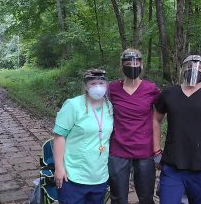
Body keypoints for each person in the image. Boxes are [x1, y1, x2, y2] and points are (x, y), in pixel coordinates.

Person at [153, 53, 201, 204]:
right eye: (189, 65)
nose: (194, 69)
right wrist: (156, 151)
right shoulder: (169, 94)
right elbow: (156, 120)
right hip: (172, 166)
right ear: (182, 69)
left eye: (199, 66)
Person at [107, 48, 160, 204]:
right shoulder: (112, 89)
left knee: (146, 197)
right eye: (128, 62)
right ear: (121, 65)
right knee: (118, 197)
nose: (132, 65)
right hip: (118, 150)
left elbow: (164, 111)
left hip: (145, 150)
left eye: (136, 62)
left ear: (141, 64)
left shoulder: (151, 89)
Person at [53, 69, 113, 204]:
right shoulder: (73, 105)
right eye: (93, 83)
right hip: (73, 176)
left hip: (100, 176)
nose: (98, 86)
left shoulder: (109, 106)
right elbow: (59, 137)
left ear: (106, 85)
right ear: (86, 86)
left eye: (101, 83)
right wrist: (59, 168)